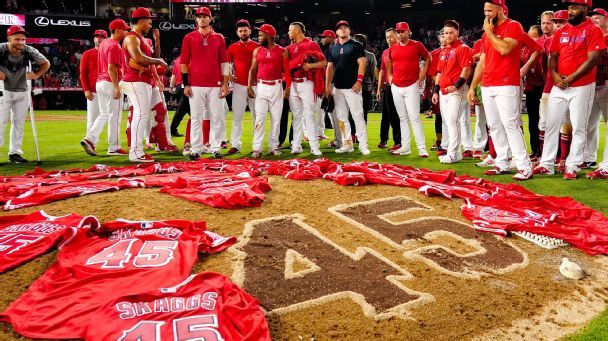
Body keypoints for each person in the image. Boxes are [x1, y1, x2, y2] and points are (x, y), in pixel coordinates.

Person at [467, 0, 540, 180]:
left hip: (507, 83)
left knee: (511, 124)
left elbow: (505, 49)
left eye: (489, 11)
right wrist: (473, 86)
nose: (486, 14)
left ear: (500, 10)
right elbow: (482, 62)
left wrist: (490, 33)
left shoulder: (513, 26)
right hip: (488, 83)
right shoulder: (486, 35)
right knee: (494, 125)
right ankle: (502, 163)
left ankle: (524, 166)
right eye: (484, 11)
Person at [534, 0, 605, 179]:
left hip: (582, 85)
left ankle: (573, 166)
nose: (570, 11)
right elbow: (553, 56)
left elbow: (592, 59)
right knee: (551, 124)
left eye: (574, 7)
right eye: (569, 8)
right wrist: (555, 75)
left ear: (585, 8)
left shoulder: (593, 30)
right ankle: (547, 164)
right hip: (560, 85)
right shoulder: (562, 31)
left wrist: (571, 78)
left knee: (579, 127)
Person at [180, 7, 230, 160]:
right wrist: (186, 84)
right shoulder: (189, 37)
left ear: (210, 19)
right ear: (196, 19)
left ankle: (215, 148)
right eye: (199, 16)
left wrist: (225, 83)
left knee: (216, 117)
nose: (201, 19)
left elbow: (224, 62)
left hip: (215, 84)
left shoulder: (219, 38)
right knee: (196, 117)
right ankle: (196, 149)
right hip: (195, 84)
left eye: (204, 16)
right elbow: (183, 62)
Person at [121, 8, 168, 163]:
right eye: (149, 21)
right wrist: (158, 62)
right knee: (140, 115)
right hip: (135, 80)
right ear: (141, 20)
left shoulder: (140, 38)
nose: (150, 24)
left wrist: (157, 44)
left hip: (144, 80)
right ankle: (135, 152)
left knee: (152, 113)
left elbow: (150, 58)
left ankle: (160, 144)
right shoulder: (131, 38)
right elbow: (139, 58)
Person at [0, 25, 50, 163]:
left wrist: (36, 75)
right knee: (0, 123)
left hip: (22, 91)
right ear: (9, 38)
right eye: (17, 39)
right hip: (3, 91)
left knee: (19, 123)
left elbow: (46, 63)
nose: (21, 42)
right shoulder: (1, 49)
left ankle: (15, 153)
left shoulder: (29, 50)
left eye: (23, 39)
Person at [386, 21, 431, 157]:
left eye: (402, 31)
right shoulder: (392, 48)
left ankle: (422, 148)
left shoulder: (417, 45)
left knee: (414, 117)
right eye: (398, 32)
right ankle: (405, 147)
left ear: (408, 31)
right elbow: (389, 63)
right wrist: (390, 77)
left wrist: (423, 74)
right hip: (396, 86)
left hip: (411, 84)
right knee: (402, 118)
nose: (400, 34)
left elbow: (428, 57)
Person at [431, 20, 474, 164]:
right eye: (445, 33)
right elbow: (439, 73)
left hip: (457, 91)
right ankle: (456, 154)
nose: (448, 35)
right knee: (449, 122)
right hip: (443, 92)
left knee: (452, 121)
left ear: (457, 33)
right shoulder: (444, 51)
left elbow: (467, 69)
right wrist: (435, 91)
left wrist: (456, 86)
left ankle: (452, 153)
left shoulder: (463, 48)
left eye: (450, 32)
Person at [325, 20, 369, 155]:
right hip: (338, 87)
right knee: (342, 117)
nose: (343, 29)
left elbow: (362, 63)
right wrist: (327, 86)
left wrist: (359, 81)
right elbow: (329, 67)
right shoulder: (333, 47)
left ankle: (363, 145)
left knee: (358, 116)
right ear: (336, 32)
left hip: (352, 87)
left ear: (349, 31)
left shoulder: (356, 45)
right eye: (340, 28)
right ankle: (346, 144)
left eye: (345, 27)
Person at [248, 24, 291, 158]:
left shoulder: (282, 51)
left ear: (268, 35)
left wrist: (288, 88)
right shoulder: (257, 51)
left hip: (276, 87)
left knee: (276, 119)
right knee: (259, 119)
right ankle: (257, 148)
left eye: (261, 35)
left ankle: (274, 146)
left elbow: (287, 72)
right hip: (261, 87)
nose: (258, 38)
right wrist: (249, 86)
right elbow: (253, 69)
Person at [286, 22, 326, 156]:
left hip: (307, 83)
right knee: (296, 116)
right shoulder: (289, 48)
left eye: (290, 30)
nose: (288, 33)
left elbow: (324, 62)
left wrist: (309, 66)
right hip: (293, 85)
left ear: (297, 30)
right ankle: (296, 145)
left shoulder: (311, 44)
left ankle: (314, 146)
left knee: (309, 115)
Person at [227, 19, 259, 155]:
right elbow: (227, 64)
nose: (243, 33)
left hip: (256, 85)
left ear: (250, 31)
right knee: (237, 117)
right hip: (239, 85)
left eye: (245, 30)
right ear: (237, 32)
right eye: (240, 31)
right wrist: (228, 75)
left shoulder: (258, 46)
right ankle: (235, 145)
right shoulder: (232, 47)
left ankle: (256, 145)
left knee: (257, 117)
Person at [583, 7, 608, 170]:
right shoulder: (589, 38)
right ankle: (589, 158)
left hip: (607, 83)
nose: (593, 20)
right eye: (591, 18)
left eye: (597, 17)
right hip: (591, 84)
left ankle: (606, 165)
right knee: (587, 124)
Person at [377, 28, 402, 151]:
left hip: (398, 85)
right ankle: (383, 139)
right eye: (387, 37)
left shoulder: (402, 50)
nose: (389, 39)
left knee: (394, 114)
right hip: (388, 86)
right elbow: (382, 70)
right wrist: (378, 88)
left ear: (397, 36)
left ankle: (398, 141)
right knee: (385, 114)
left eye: (391, 36)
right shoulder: (385, 52)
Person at [79, 29, 106, 136]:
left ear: (106, 39)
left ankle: (111, 143)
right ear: (94, 39)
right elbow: (82, 73)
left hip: (107, 90)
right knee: (92, 118)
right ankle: (90, 141)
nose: (99, 38)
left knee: (108, 117)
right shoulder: (87, 54)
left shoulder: (109, 53)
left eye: (101, 37)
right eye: (97, 36)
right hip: (93, 91)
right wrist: (86, 90)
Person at [168, 55, 189, 137]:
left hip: (178, 87)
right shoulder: (190, 58)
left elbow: (173, 75)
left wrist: (171, 86)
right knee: (183, 109)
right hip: (186, 85)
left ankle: (172, 129)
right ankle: (172, 129)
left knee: (184, 109)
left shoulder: (176, 61)